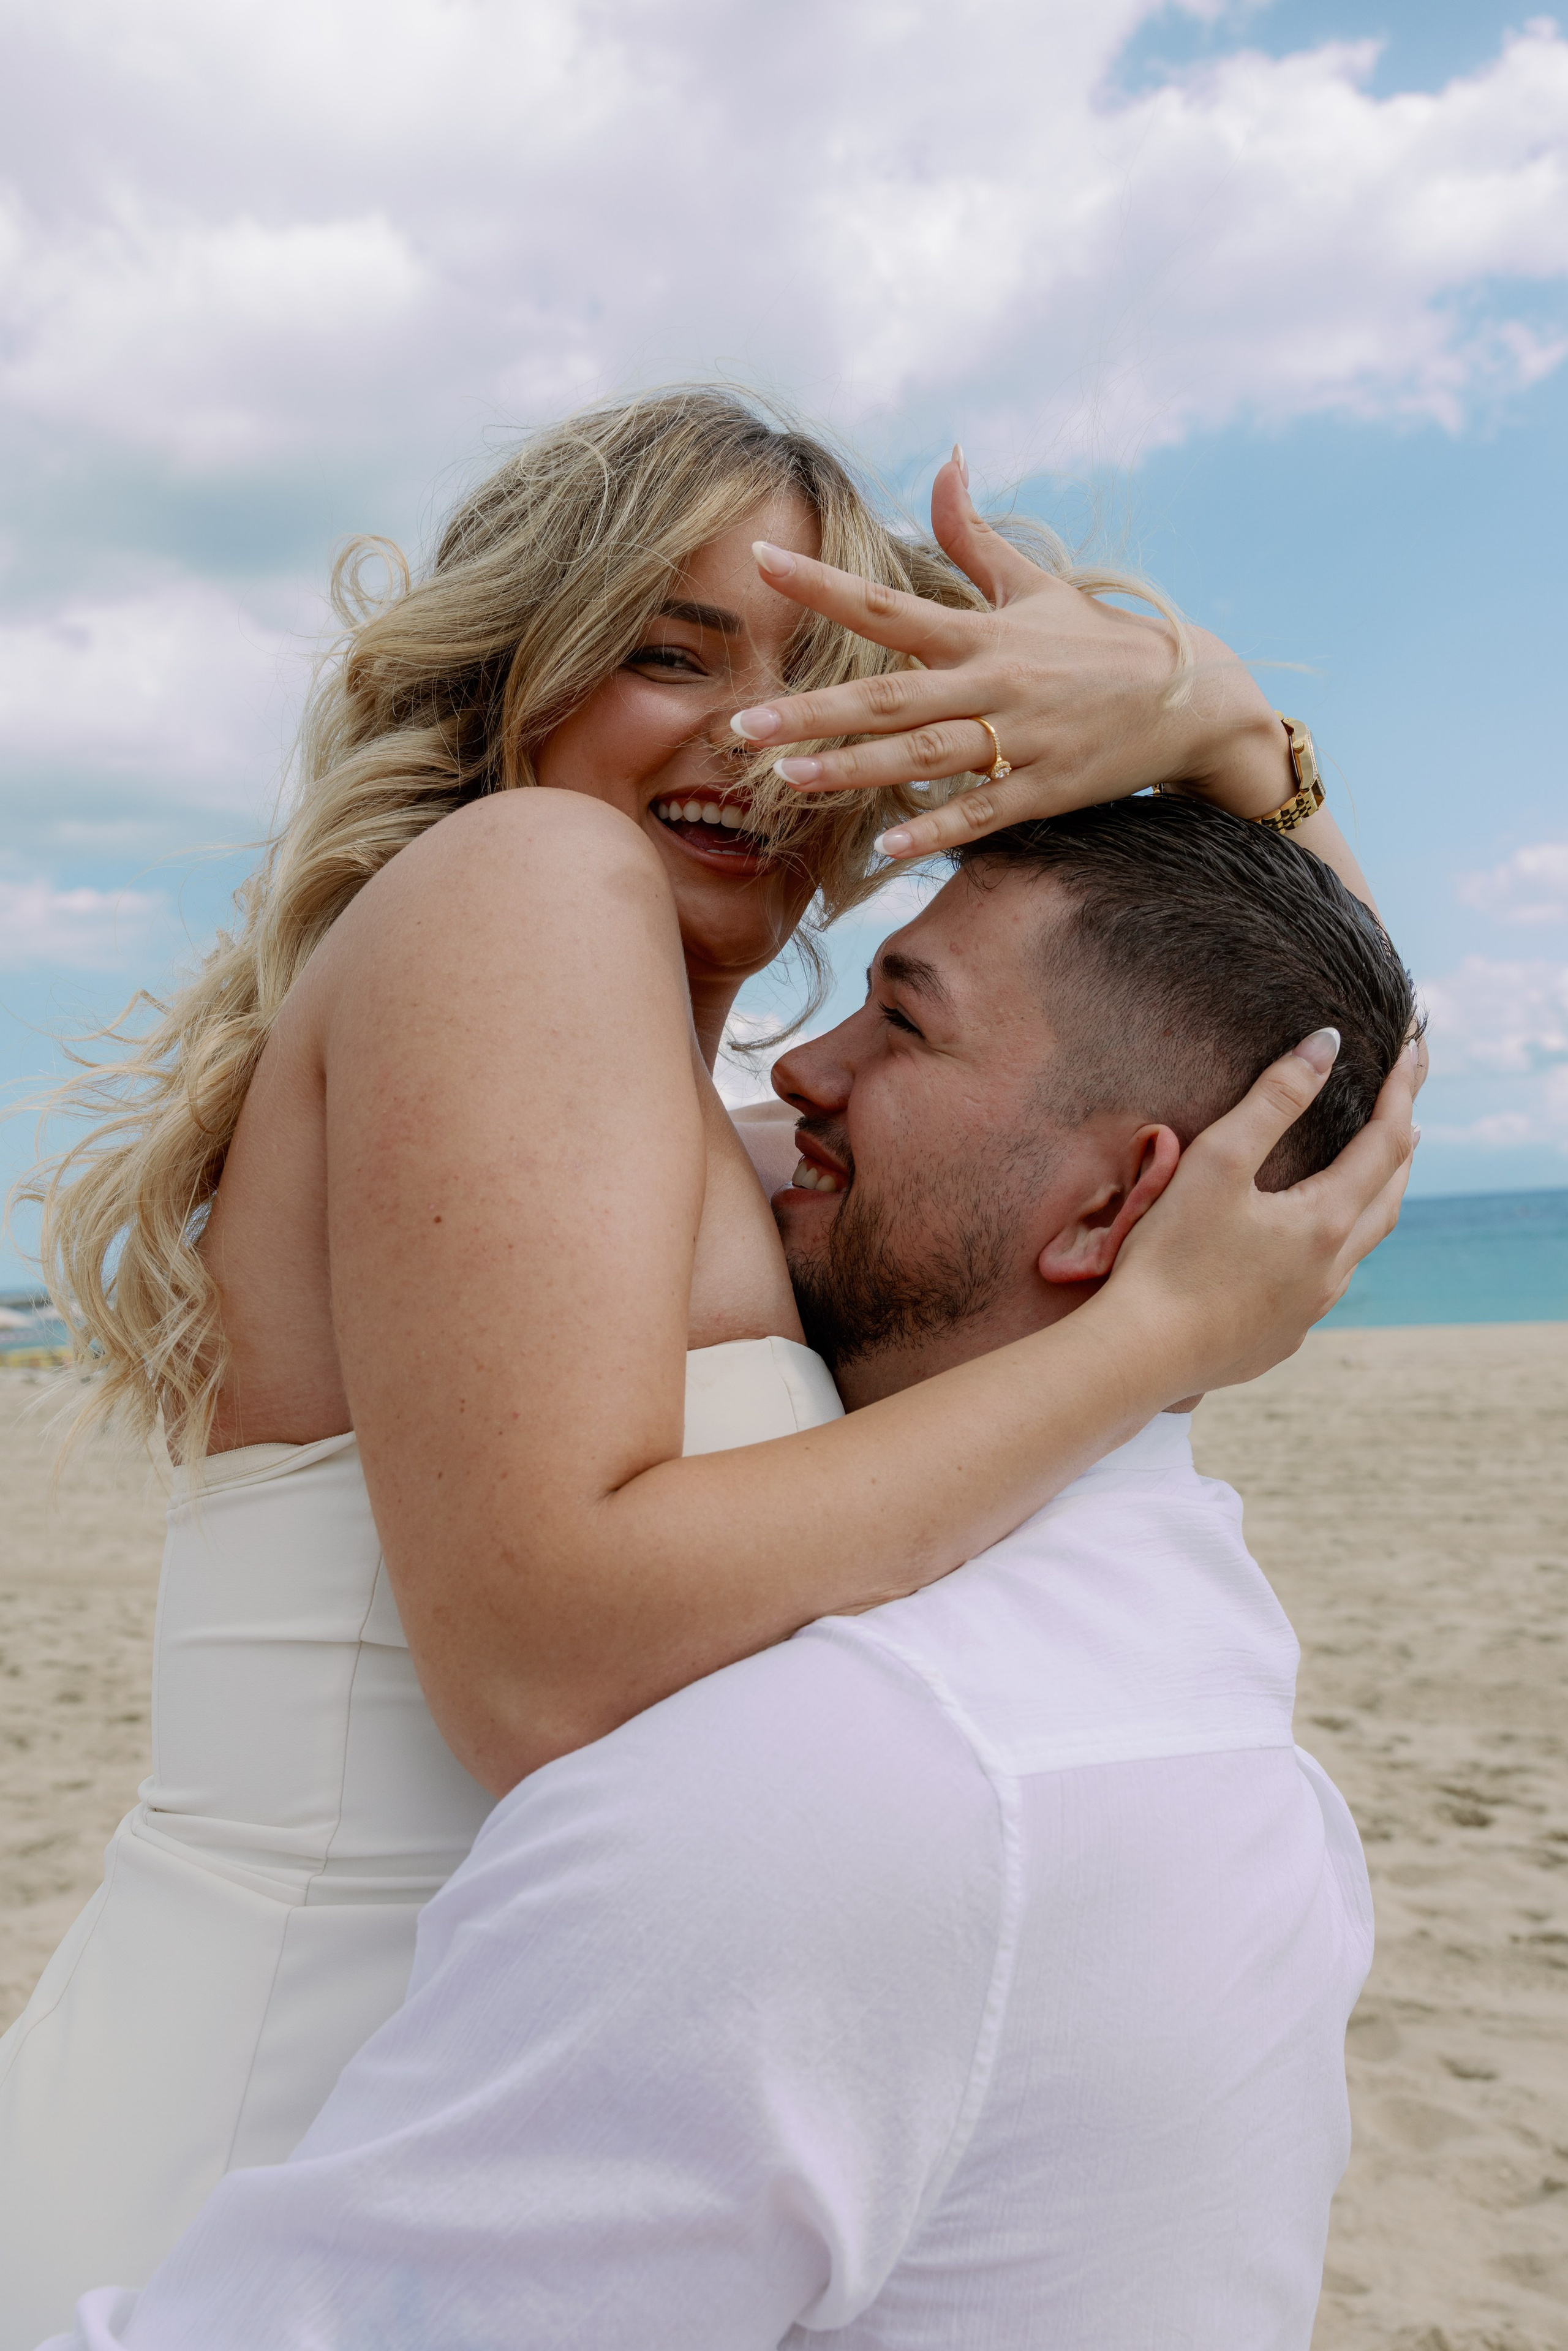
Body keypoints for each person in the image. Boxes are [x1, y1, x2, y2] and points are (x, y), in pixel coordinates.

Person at [1, 387, 1416, 2349]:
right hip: (254, 2163)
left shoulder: (677, 1120)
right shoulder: (532, 885)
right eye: (674, 654)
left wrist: (1224, 733)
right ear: (520, 673)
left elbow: (1291, 1119)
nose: (756, 732)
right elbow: (546, 1656)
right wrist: (1153, 1347)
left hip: (476, 2157)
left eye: (824, 672)